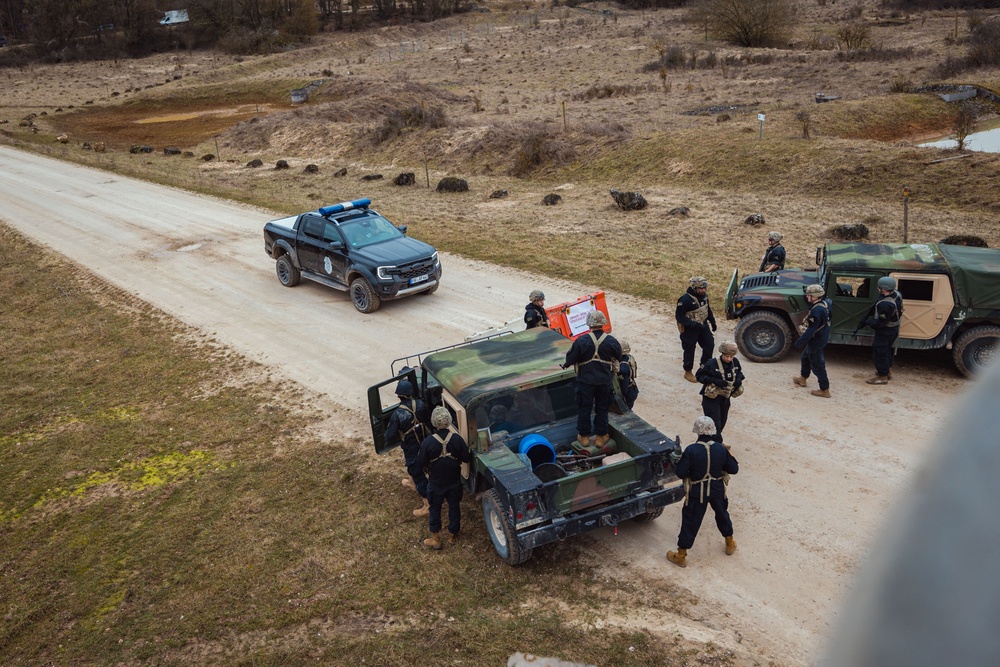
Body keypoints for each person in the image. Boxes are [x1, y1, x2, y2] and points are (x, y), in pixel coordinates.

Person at [666, 416, 740, 568]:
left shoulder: (691, 450)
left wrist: (678, 460)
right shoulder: (720, 448)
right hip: (717, 489)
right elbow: (734, 469)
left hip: (697, 492)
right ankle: (729, 542)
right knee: (722, 514)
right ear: (712, 430)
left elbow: (680, 473)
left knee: (690, 521)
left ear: (697, 432)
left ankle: (681, 555)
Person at [415, 406, 473, 550]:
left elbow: (420, 463)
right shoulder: (457, 439)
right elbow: (466, 458)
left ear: (433, 423)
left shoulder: (428, 442)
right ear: (449, 421)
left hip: (435, 483)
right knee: (454, 507)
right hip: (454, 482)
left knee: (434, 509)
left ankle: (436, 539)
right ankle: (453, 534)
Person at [563, 310, 622, 448]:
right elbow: (618, 356)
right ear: (603, 323)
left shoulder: (581, 341)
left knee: (585, 408)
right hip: (604, 382)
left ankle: (584, 437)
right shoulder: (611, 341)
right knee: (602, 408)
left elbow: (570, 358)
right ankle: (600, 437)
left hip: (586, 381)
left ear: (589, 324)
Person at [384, 379, 431, 517]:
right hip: (426, 442)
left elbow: (391, 434)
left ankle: (427, 505)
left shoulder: (398, 414)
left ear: (399, 395)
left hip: (412, 447)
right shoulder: (422, 404)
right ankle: (411, 482)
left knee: (417, 472)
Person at [695, 341, 745, 443]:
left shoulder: (735, 363)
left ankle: (712, 442)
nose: (729, 359)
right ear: (722, 353)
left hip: (725, 398)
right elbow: (699, 376)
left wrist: (739, 380)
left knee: (722, 421)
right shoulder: (711, 364)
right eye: (727, 356)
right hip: (711, 399)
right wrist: (715, 380)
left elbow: (739, 372)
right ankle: (717, 444)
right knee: (714, 423)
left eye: (731, 356)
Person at [859, 276, 903, 385]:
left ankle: (882, 376)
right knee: (886, 350)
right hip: (893, 329)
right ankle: (886, 371)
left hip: (885, 330)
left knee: (880, 352)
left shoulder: (885, 305)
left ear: (883, 289)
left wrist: (868, 322)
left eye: (879, 287)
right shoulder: (897, 294)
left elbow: (880, 323)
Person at [793, 284, 832, 398]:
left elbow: (811, 329)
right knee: (805, 357)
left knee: (817, 364)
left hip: (816, 340)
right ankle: (803, 378)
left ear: (814, 296)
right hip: (821, 336)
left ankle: (824, 389)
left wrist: (801, 341)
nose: (807, 297)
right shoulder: (826, 303)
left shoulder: (816, 311)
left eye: (809, 295)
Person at [676, 276, 717, 383]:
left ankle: (704, 368)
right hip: (690, 329)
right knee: (689, 349)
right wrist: (693, 325)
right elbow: (679, 317)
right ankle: (688, 371)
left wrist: (712, 321)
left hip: (703, 326)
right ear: (695, 288)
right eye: (701, 288)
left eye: (705, 288)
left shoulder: (704, 297)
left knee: (709, 345)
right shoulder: (685, 300)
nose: (703, 290)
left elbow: (707, 309)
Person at [617, 340, 639, 410]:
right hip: (633, 388)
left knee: (626, 410)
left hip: (628, 393)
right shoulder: (629, 357)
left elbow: (624, 388)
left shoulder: (623, 368)